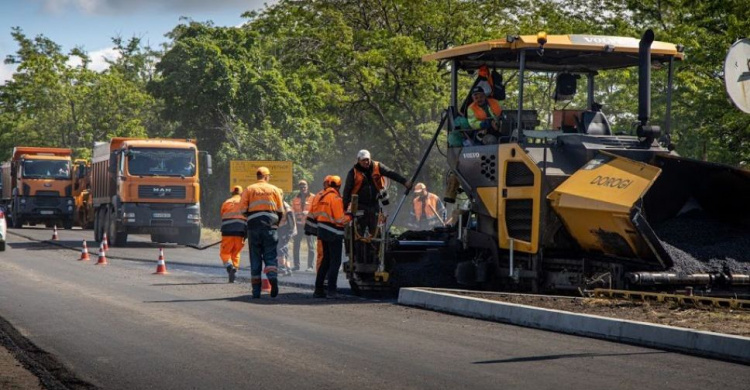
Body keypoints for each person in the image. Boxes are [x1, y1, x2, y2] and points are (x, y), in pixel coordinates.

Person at [342, 149, 412, 236]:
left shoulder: (377, 166)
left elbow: (391, 173)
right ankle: (359, 248)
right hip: (360, 206)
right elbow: (347, 191)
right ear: (358, 160)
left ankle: (375, 248)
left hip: (374, 204)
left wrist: (404, 181)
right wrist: (345, 208)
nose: (366, 162)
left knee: (375, 232)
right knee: (358, 233)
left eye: (368, 159)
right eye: (363, 160)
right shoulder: (353, 172)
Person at [240, 167, 285, 299]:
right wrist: (275, 224)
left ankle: (256, 291)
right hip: (270, 228)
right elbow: (280, 211)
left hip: (254, 228)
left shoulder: (249, 189)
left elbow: (243, 210)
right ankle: (272, 278)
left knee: (255, 258)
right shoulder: (275, 189)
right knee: (270, 255)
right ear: (266, 176)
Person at [313, 175, 350, 298]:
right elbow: (340, 219)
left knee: (325, 260)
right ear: (339, 186)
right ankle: (331, 290)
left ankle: (318, 290)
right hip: (334, 233)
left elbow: (316, 214)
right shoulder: (336, 198)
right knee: (335, 261)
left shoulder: (321, 196)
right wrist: (350, 216)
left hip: (322, 232)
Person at [220, 186, 247, 283]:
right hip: (240, 232)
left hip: (227, 231)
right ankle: (234, 270)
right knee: (236, 253)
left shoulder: (226, 202)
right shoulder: (244, 203)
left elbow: (222, 215)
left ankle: (229, 266)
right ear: (241, 193)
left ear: (232, 193)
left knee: (225, 252)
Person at [292, 180, 316, 272]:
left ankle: (310, 266)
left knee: (311, 246)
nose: (303, 188)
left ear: (307, 186)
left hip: (309, 224)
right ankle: (296, 266)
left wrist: (308, 212)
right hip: (298, 225)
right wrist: (295, 215)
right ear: (299, 188)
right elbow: (292, 210)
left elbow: (317, 209)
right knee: (296, 245)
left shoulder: (313, 197)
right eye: (301, 186)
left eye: (304, 186)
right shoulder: (295, 199)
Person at [277, 201, 297, 276]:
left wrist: (288, 234)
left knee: (280, 248)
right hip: (284, 230)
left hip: (285, 231)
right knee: (284, 250)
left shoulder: (286, 208)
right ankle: (288, 268)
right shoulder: (283, 206)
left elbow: (291, 223)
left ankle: (282, 268)